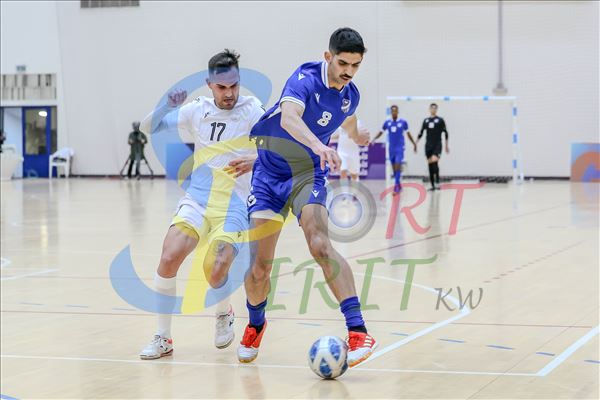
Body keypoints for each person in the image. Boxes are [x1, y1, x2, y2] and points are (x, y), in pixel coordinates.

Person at [239, 27, 376, 368]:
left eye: (356, 65)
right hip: (269, 176)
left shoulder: (350, 95)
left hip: (307, 174)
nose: (349, 71)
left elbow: (347, 119)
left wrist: (357, 134)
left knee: (320, 244)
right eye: (343, 63)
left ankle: (358, 331)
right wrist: (319, 145)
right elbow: (289, 118)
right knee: (259, 269)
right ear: (328, 57)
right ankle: (256, 323)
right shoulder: (304, 77)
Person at [137, 49, 264, 360]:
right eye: (222, 87)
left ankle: (223, 313)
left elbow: (282, 146)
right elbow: (146, 127)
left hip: (234, 204)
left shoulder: (253, 109)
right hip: (198, 199)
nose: (229, 93)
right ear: (209, 84)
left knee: (216, 271)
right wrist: (168, 105)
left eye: (234, 85)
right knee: (169, 257)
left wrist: (256, 158)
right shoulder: (197, 110)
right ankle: (163, 337)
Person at [374, 105, 416, 194]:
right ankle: (399, 185)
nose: (394, 112)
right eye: (392, 111)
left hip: (400, 148)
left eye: (395, 111)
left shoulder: (403, 122)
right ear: (391, 112)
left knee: (397, 165)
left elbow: (408, 134)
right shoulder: (387, 123)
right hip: (391, 149)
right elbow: (381, 132)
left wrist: (414, 143)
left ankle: (396, 188)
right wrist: (374, 139)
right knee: (394, 169)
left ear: (398, 112)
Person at [417, 103, 449, 190]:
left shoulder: (440, 120)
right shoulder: (426, 121)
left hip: (437, 145)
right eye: (432, 108)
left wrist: (446, 145)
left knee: (435, 162)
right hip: (428, 145)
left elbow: (446, 133)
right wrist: (416, 143)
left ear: (436, 109)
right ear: (429, 109)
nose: (433, 110)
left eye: (435, 108)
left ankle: (437, 182)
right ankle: (432, 184)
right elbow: (421, 132)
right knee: (430, 164)